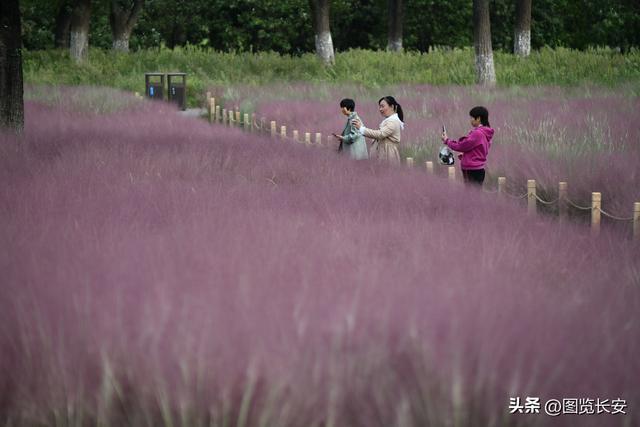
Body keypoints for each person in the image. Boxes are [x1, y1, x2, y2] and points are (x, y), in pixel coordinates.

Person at [441, 106, 494, 186]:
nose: (470, 120)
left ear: (478, 118)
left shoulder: (477, 133)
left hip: (472, 170)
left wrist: (447, 140)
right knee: (475, 194)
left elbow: (461, 146)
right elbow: (481, 150)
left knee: (471, 196)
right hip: (478, 169)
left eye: (472, 118)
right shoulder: (486, 133)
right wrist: (467, 155)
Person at [352, 96, 404, 164]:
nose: (380, 109)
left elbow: (380, 134)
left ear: (392, 106)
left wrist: (361, 128)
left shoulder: (393, 121)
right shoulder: (389, 120)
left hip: (388, 155)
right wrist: (361, 128)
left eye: (382, 106)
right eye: (380, 107)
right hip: (383, 154)